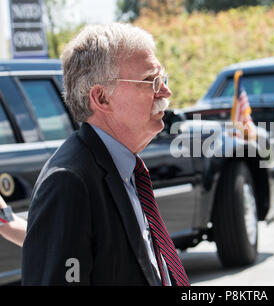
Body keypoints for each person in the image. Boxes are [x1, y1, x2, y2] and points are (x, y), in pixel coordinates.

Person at [22, 23, 190, 286]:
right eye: (150, 81)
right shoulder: (69, 183)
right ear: (101, 98)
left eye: (163, 79)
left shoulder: (124, 167)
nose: (165, 92)